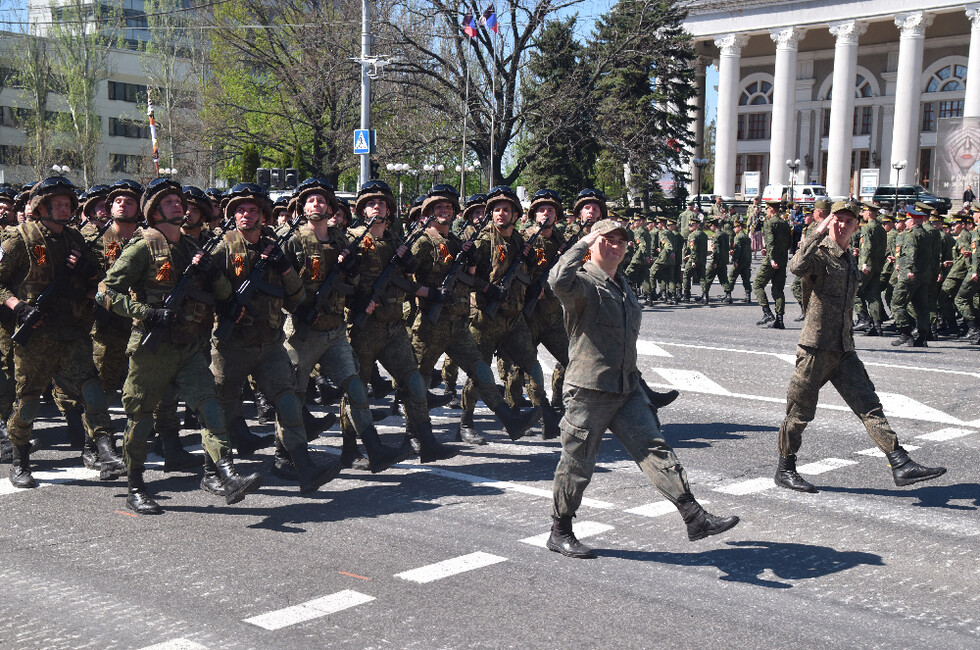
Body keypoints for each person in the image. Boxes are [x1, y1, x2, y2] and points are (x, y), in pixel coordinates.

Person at [544, 218, 739, 558]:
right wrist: (586, 238)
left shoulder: (621, 283)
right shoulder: (583, 284)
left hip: (627, 386)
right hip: (590, 389)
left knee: (654, 448)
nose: (615, 246)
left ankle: (694, 516)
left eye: (621, 241)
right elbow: (556, 279)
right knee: (578, 462)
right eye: (607, 240)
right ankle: (560, 530)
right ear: (592, 244)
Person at [96, 178, 264, 513]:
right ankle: (135, 484)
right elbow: (106, 291)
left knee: (211, 408)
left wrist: (209, 269)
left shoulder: (191, 248)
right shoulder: (143, 247)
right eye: (170, 201)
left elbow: (223, 294)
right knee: (140, 417)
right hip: (152, 349)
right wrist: (145, 312)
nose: (179, 205)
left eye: (179, 201)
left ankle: (226, 474)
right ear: (155, 211)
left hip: (189, 347)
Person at [774, 201, 946, 493]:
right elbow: (796, 266)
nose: (842, 225)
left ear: (856, 226)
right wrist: (817, 232)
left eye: (848, 221)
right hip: (815, 349)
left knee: (869, 405)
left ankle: (900, 463)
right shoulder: (820, 253)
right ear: (830, 222)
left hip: (843, 349)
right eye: (837, 220)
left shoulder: (847, 258)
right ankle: (785, 469)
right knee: (799, 412)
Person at [0, 177, 125, 488]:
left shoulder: (75, 240)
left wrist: (87, 274)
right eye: (57, 203)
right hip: (36, 336)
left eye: (67, 204)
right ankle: (20, 459)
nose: (64, 208)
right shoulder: (19, 239)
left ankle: (106, 450)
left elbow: (97, 279)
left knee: (92, 392)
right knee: (28, 402)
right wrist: (19, 307)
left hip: (72, 333)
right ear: (42, 207)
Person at [753, 199, 793, 328]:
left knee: (758, 284)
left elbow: (770, 242)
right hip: (782, 259)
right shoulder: (785, 224)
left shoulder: (770, 223)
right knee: (778, 290)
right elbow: (789, 244)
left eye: (767, 209)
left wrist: (771, 258)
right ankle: (779, 320)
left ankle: (767, 312)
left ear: (771, 209)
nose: (767, 212)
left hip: (773, 260)